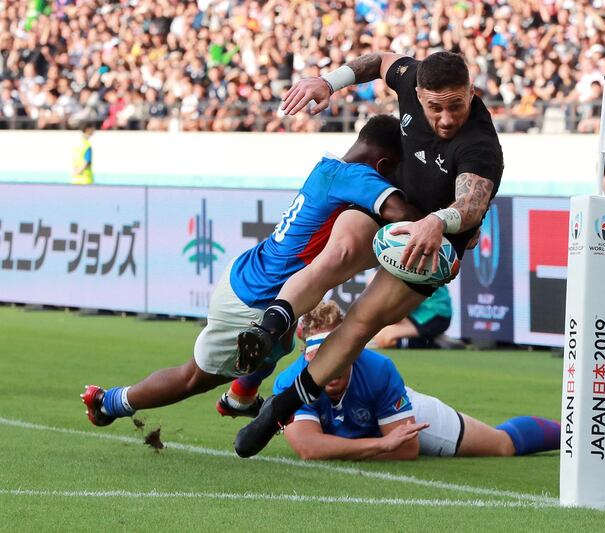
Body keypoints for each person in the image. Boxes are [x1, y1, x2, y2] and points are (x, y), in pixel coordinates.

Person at [234, 50, 505, 458]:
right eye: (435, 108)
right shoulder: (409, 76)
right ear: (417, 93)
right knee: (336, 254)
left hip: (430, 246)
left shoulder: (481, 145)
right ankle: (268, 329)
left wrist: (438, 221)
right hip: (392, 206)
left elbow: (471, 202)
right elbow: (379, 61)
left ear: (473, 92)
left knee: (360, 324)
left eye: (457, 105)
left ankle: (280, 409)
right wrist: (328, 81)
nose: (447, 118)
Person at [80, 115, 424, 426]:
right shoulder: (358, 177)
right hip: (253, 299)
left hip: (258, 277)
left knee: (279, 341)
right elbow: (403, 212)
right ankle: (109, 402)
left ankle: (240, 397)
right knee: (194, 378)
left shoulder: (329, 169)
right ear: (383, 164)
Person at [266, 301, 605, 460]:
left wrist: (379, 444)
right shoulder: (292, 381)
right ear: (304, 354)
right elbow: (308, 448)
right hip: (372, 434)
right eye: (319, 359)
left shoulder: (378, 369)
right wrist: (376, 446)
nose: (328, 369)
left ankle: (593, 436)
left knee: (502, 445)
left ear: (352, 346)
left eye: (338, 355)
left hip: (404, 415)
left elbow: (405, 449)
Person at [369, 285, 452, 349]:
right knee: (378, 332)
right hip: (419, 311)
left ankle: (432, 343)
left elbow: (397, 310)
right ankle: (430, 337)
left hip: (433, 314)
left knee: (384, 338)